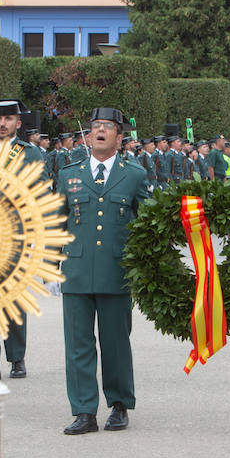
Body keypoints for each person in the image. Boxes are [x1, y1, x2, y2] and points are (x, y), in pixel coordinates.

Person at [54, 107, 151, 435]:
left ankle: (120, 404)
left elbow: (148, 222)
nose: (99, 131)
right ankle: (83, 410)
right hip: (77, 272)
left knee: (115, 343)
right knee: (77, 344)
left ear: (119, 137)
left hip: (116, 270)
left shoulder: (133, 175)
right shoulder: (70, 174)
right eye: (95, 126)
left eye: (107, 127)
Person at [0, 99, 47, 379]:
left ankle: (16, 355)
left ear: (18, 123)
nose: (2, 124)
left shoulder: (30, 154)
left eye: (8, 119)